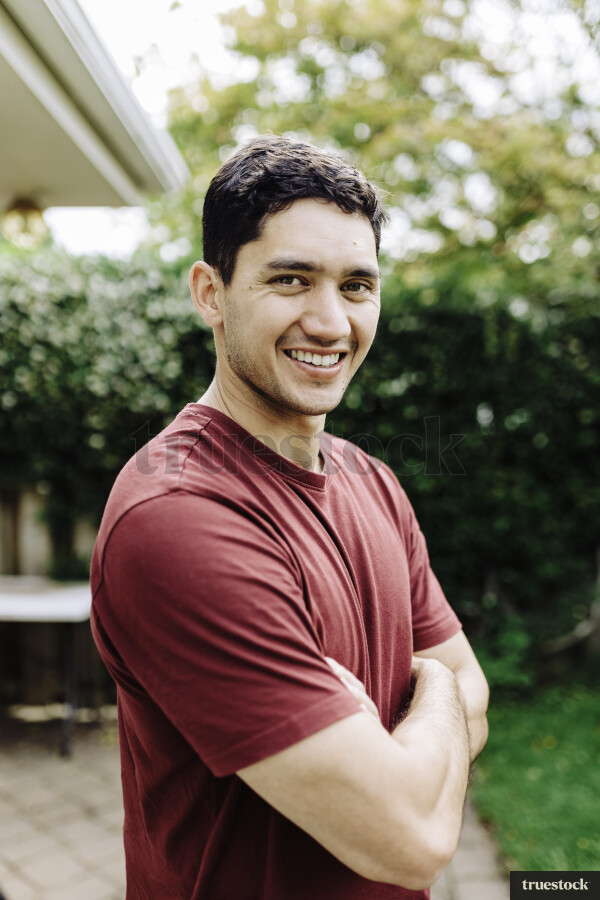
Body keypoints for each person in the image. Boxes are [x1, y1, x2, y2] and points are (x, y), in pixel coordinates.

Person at [91, 134, 489, 900]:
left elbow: (473, 692)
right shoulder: (176, 518)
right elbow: (411, 837)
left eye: (356, 285)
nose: (331, 323)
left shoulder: (371, 481)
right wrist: (438, 696)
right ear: (211, 291)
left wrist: (430, 686)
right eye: (292, 280)